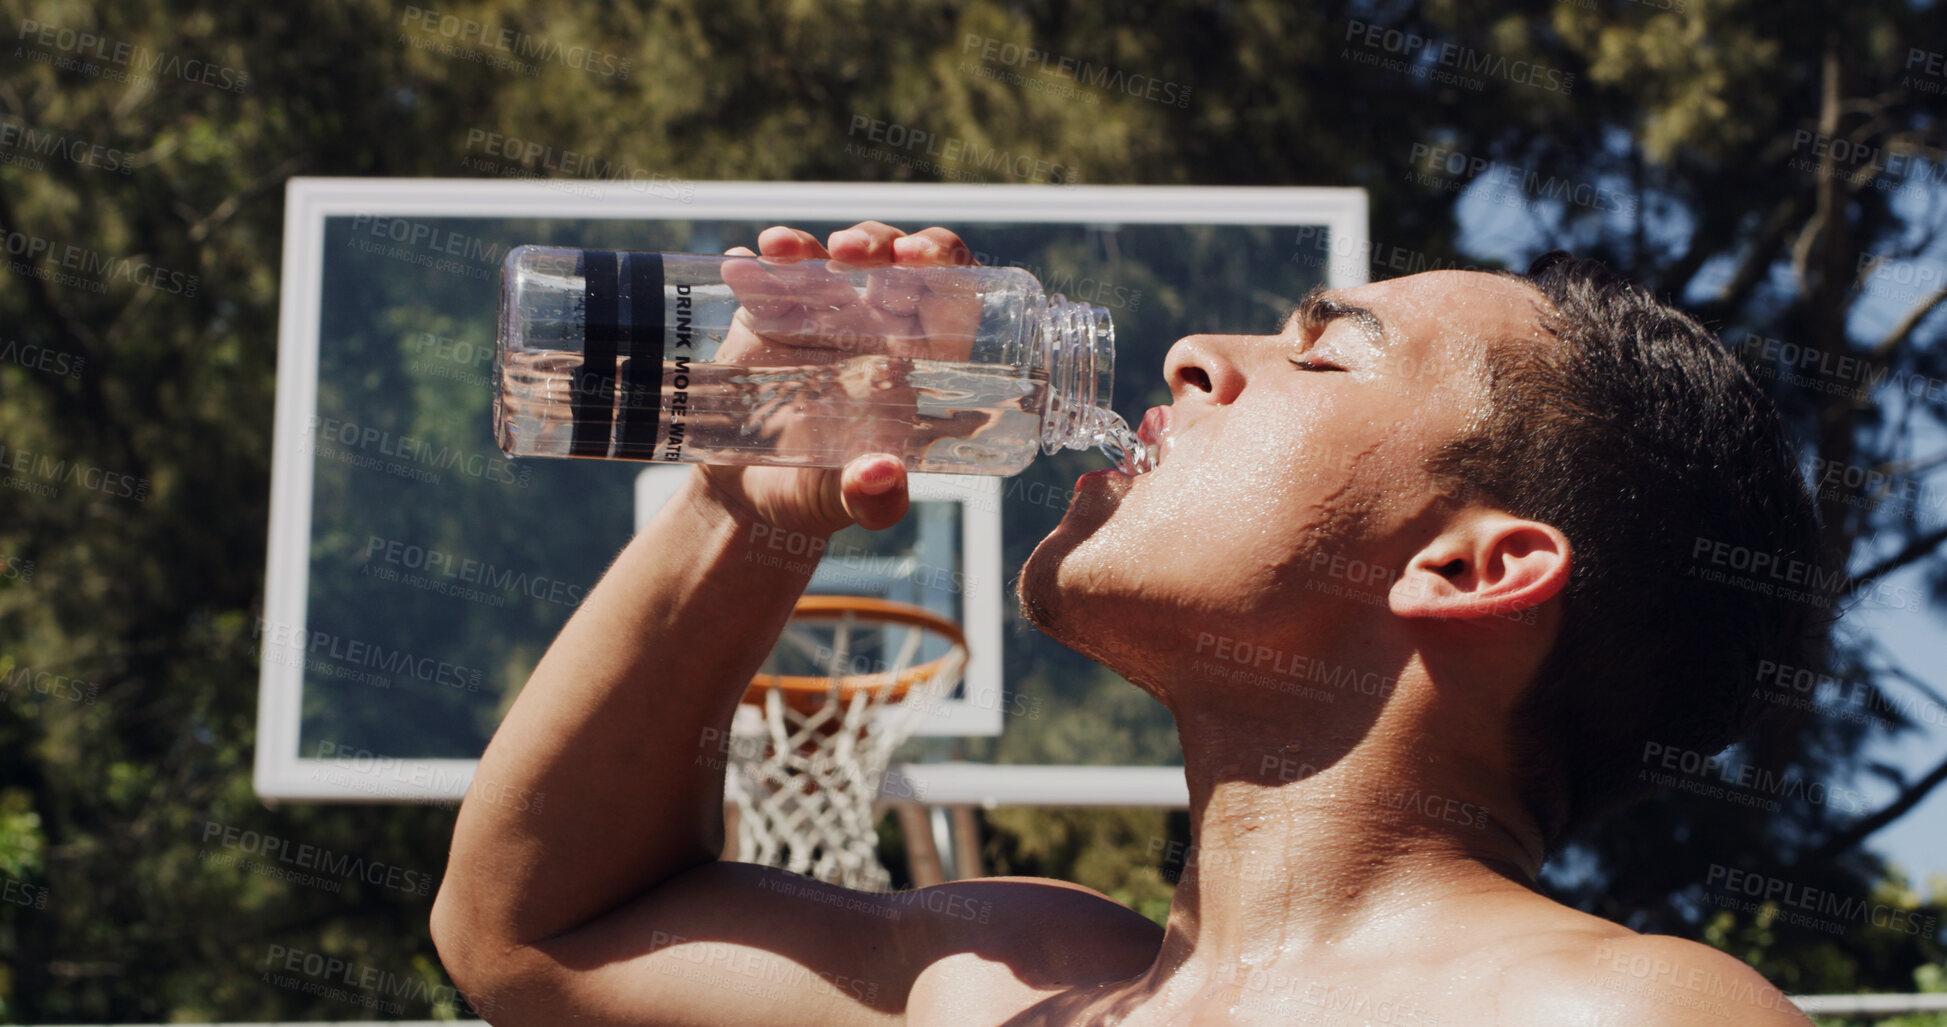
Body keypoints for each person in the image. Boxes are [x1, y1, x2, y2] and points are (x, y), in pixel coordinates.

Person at [431, 220, 1825, 1025]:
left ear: (1470, 571)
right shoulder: (1007, 969)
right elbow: (540, 932)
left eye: (1321, 352)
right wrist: (749, 510)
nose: (1193, 356)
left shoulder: (1622, 1015)